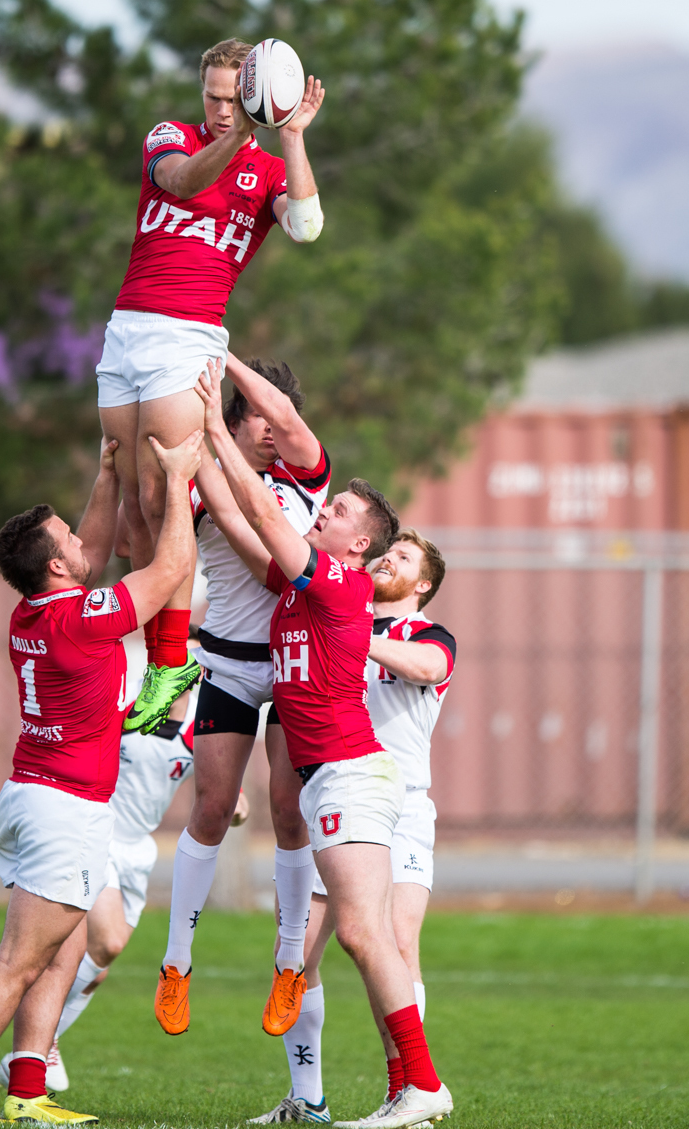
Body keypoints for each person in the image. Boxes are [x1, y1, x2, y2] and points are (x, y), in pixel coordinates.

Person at [191, 363, 453, 1129]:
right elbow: (244, 528)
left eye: (335, 509)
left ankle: (417, 1084)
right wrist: (189, 456)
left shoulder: (338, 587)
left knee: (372, 934)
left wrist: (214, 426)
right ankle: (344, 1093)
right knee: (344, 940)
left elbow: (268, 520)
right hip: (328, 781)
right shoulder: (312, 588)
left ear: (361, 541)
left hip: (353, 779)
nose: (320, 510)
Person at [0, 430, 202, 1125]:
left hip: (33, 797)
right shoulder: (78, 618)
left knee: (64, 950)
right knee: (19, 959)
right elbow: (168, 571)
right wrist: (180, 483)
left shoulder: (35, 610)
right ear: (55, 566)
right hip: (62, 807)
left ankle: (27, 1088)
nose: (83, 542)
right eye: (68, 537)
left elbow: (94, 553)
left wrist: (107, 476)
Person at [97, 36, 325, 735]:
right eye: (215, 97)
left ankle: (170, 666)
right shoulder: (171, 137)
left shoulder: (263, 166)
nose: (223, 111)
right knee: (132, 499)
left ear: (252, 100)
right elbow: (182, 182)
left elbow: (309, 227)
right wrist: (239, 136)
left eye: (235, 99)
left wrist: (289, 139)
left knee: (167, 489)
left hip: (189, 334)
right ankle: (161, 657)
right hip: (127, 329)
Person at [250, 531, 456, 1125]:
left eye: (406, 558)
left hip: (402, 806)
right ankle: (307, 1098)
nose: (389, 558)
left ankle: (409, 1088)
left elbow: (428, 666)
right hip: (333, 793)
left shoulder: (425, 635)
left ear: (423, 585)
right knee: (296, 953)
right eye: (388, 551)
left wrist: (352, 635)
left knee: (392, 941)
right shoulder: (335, 611)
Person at [154, 354, 328, 1040]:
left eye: (279, 414)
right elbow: (171, 545)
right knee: (213, 806)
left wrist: (218, 349)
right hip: (225, 662)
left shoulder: (307, 475)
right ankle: (175, 962)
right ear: (230, 414)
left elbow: (269, 568)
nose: (274, 427)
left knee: (289, 811)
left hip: (291, 666)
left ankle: (288, 962)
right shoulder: (203, 475)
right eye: (257, 413)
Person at [0, 687, 251, 1091]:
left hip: (138, 851)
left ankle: (36, 1045)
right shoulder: (128, 709)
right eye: (172, 648)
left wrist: (237, 808)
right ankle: (37, 1047)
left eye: (189, 652)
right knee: (109, 941)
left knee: (97, 968)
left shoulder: (200, 727)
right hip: (99, 836)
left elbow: (228, 792)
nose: (179, 660)